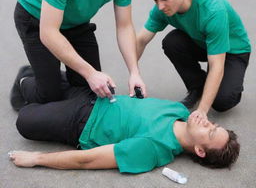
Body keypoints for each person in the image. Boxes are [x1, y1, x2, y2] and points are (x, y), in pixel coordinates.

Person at [12, 0, 149, 110]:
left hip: (75, 22)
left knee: (91, 93)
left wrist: (134, 72)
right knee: (50, 96)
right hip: (37, 19)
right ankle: (25, 78)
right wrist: (90, 73)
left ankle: (52, 75)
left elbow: (124, 26)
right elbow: (49, 33)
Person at [9, 68, 239, 173]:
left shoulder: (154, 148)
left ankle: (34, 93)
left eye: (209, 132)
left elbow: (87, 160)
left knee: (25, 120)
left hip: (80, 122)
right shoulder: (178, 110)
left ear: (199, 150)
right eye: (214, 124)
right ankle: (34, 85)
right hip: (98, 95)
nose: (208, 122)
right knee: (32, 80)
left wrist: (37, 159)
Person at [137, 0, 251, 118]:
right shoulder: (162, 8)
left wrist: (202, 111)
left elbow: (217, 64)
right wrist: (133, 73)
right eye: (156, 0)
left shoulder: (212, 9)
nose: (160, 6)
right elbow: (141, 39)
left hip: (233, 51)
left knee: (222, 101)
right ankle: (197, 87)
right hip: (203, 43)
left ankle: (229, 82)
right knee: (172, 42)